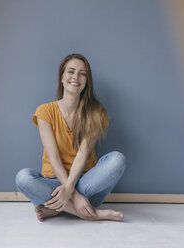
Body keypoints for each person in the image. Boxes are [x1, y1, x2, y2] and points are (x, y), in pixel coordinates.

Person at [16, 53, 126, 221]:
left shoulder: (96, 113)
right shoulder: (45, 111)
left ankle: (57, 208)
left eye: (82, 73)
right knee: (23, 177)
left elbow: (82, 155)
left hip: (87, 184)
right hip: (54, 185)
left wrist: (70, 190)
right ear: (62, 77)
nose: (76, 77)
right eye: (71, 71)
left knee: (117, 159)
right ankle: (91, 214)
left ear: (87, 80)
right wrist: (72, 194)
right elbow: (54, 159)